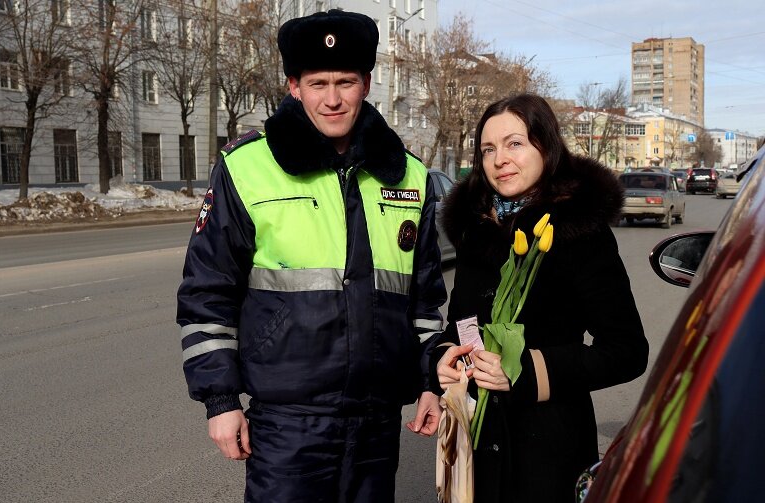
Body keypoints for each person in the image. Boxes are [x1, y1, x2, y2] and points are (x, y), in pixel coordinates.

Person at [176, 9, 447, 503]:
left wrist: (433, 382)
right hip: (287, 425)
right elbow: (206, 295)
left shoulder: (408, 175)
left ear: (366, 83)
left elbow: (425, 302)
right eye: (317, 82)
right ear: (294, 86)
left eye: (346, 81)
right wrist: (219, 401)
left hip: (376, 422)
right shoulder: (247, 167)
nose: (333, 98)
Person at [431, 93, 649, 502]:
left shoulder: (578, 233)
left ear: (545, 148)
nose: (500, 160)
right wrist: (442, 360)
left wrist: (524, 371)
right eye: (488, 149)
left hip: (548, 453)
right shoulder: (476, 230)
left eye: (515, 143)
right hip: (473, 449)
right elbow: (461, 325)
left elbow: (627, 350)